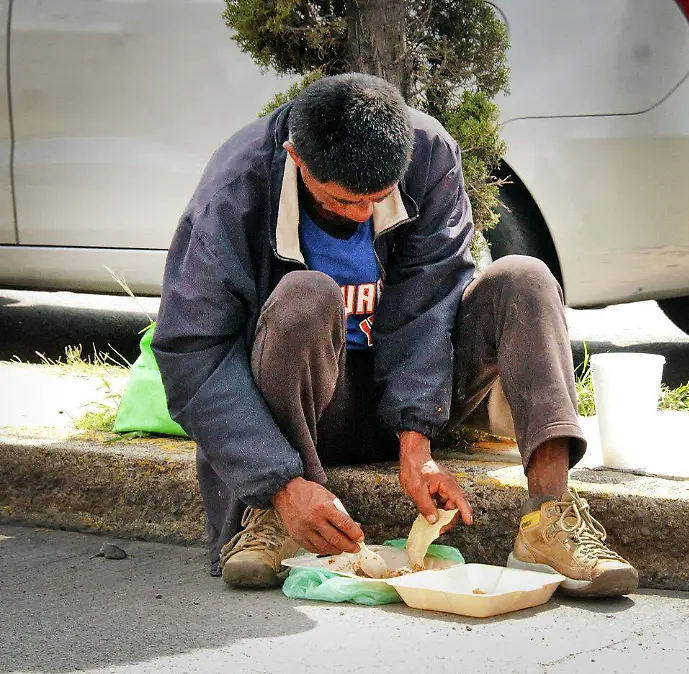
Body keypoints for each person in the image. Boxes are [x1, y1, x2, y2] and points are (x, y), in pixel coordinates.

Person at [152, 73, 638, 598]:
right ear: (296, 157)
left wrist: (417, 438)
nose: (361, 215)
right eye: (341, 202)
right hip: (305, 414)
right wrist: (279, 482)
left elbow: (430, 300)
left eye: (375, 199)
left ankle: (549, 519)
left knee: (525, 279)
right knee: (305, 295)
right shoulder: (236, 189)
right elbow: (191, 349)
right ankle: (273, 517)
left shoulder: (428, 156)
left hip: (415, 397)